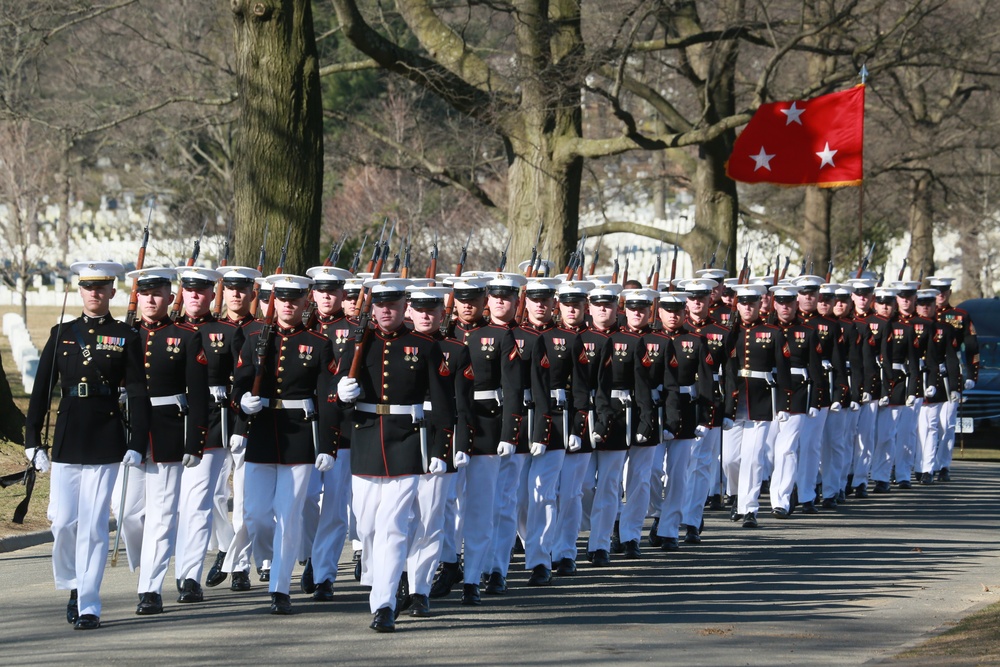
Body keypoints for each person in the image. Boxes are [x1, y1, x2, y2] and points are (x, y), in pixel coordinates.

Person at [24, 261, 151, 630]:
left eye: (101, 288)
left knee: (94, 525)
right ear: (80, 291)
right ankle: (72, 583)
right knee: (63, 522)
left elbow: (139, 393)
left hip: (106, 436)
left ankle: (89, 602)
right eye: (88, 287)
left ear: (112, 292)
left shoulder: (125, 336)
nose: (94, 293)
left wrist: (137, 441)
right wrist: (33, 440)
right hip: (67, 436)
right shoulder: (61, 332)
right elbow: (40, 392)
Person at [334, 278, 455, 632]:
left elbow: (443, 404)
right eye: (380, 304)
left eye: (393, 304)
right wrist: (340, 392)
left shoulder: (423, 346)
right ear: (372, 309)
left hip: (406, 442)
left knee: (394, 527)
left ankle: (384, 605)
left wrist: (439, 450)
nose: (386, 310)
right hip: (366, 440)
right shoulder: (357, 344)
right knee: (367, 525)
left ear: (405, 307)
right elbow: (334, 399)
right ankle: (377, 581)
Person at [232, 274, 337, 615]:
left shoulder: (318, 343)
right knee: (256, 515)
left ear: (306, 302)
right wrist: (241, 403)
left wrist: (326, 445)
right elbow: (240, 383)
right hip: (262, 432)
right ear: (273, 301)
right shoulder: (255, 338)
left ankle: (280, 587)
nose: (288, 304)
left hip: (299, 437)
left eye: (295, 298)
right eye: (282, 298)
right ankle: (265, 559)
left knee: (288, 515)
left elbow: (326, 398)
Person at [127, 267, 210, 616]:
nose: (150, 300)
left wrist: (194, 443)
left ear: (169, 297)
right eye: (144, 294)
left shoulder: (186, 337)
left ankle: (150, 587)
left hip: (167, 430)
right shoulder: (125, 335)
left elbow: (199, 394)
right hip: (128, 431)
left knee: (161, 515)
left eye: (157, 293)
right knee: (131, 515)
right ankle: (149, 561)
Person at [399, 283, 473, 617]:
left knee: (430, 519)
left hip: (437, 441)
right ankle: (396, 577)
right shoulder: (391, 345)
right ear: (408, 310)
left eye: (433, 310)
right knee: (392, 519)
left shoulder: (455, 350)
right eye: (420, 308)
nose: (426, 315)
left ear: (444, 313)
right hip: (398, 440)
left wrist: (459, 445)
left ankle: (419, 589)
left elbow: (463, 404)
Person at [172, 266, 241, 604]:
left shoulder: (225, 332)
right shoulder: (167, 330)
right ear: (181, 293)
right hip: (169, 422)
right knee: (160, 509)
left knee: (198, 503)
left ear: (213, 294)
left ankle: (188, 575)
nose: (195, 295)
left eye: (202, 290)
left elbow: (242, 380)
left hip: (211, 422)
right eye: (189, 289)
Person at [302, 265, 356, 601]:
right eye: (320, 290)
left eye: (332, 291)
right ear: (313, 293)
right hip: (305, 426)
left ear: (341, 294)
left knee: (335, 507)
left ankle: (324, 573)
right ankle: (311, 554)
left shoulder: (353, 331)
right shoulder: (299, 327)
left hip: (344, 427)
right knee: (305, 499)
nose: (326, 296)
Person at [723, 285, 791, 528]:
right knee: (729, 459)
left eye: (752, 303)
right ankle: (736, 495)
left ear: (759, 305)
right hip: (734, 400)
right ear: (737, 305)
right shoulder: (729, 332)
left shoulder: (772, 332)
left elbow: (783, 371)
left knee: (753, 457)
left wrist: (784, 403)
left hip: (761, 400)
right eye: (743, 303)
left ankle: (749, 507)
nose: (748, 307)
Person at [929, 276, 979, 480]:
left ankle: (943, 465)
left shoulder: (960, 316)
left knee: (947, 423)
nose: (940, 294)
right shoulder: (922, 317)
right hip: (928, 371)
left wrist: (971, 375)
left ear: (949, 292)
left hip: (952, 371)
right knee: (928, 423)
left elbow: (972, 347)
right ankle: (926, 465)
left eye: (944, 290)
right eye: (937, 290)